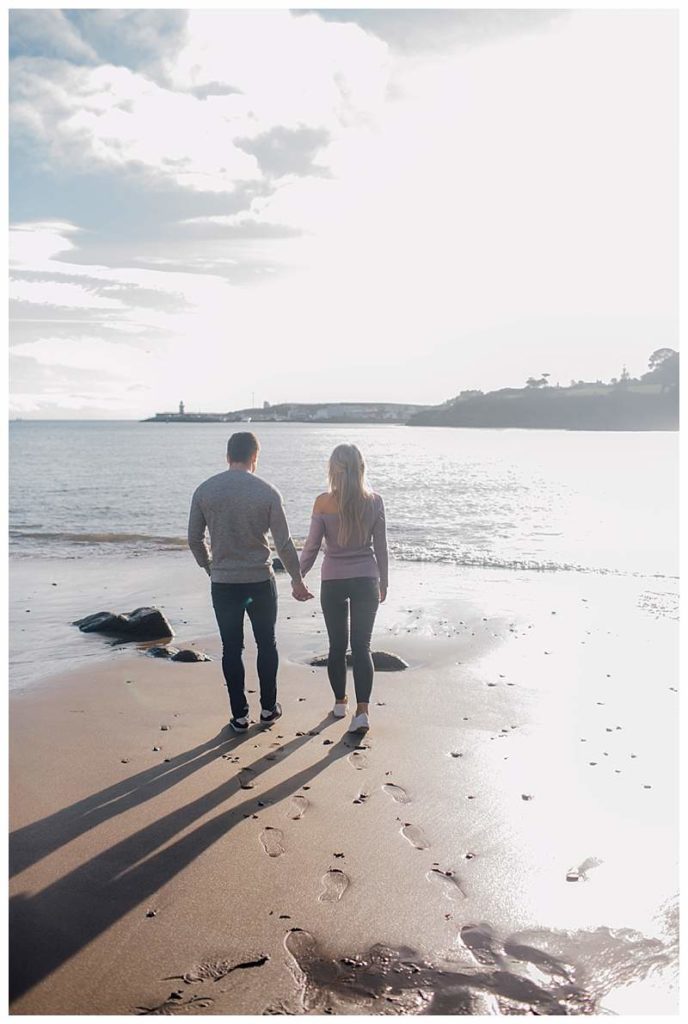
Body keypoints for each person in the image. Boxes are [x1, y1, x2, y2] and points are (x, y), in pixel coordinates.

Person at [188, 432, 313, 732]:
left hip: (223, 583)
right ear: (255, 457)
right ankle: (269, 709)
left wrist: (209, 567)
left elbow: (194, 539)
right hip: (259, 581)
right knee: (266, 644)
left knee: (231, 649)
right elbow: (283, 544)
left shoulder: (205, 490)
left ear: (228, 455)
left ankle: (240, 715)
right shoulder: (267, 492)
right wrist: (297, 580)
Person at [299, 443, 388, 734]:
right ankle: (362, 712)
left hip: (333, 580)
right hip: (366, 578)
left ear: (332, 470)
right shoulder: (374, 501)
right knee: (362, 647)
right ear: (361, 468)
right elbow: (381, 547)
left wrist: (298, 576)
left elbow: (312, 547)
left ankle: (340, 703)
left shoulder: (323, 503)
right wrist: (383, 581)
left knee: (337, 646)